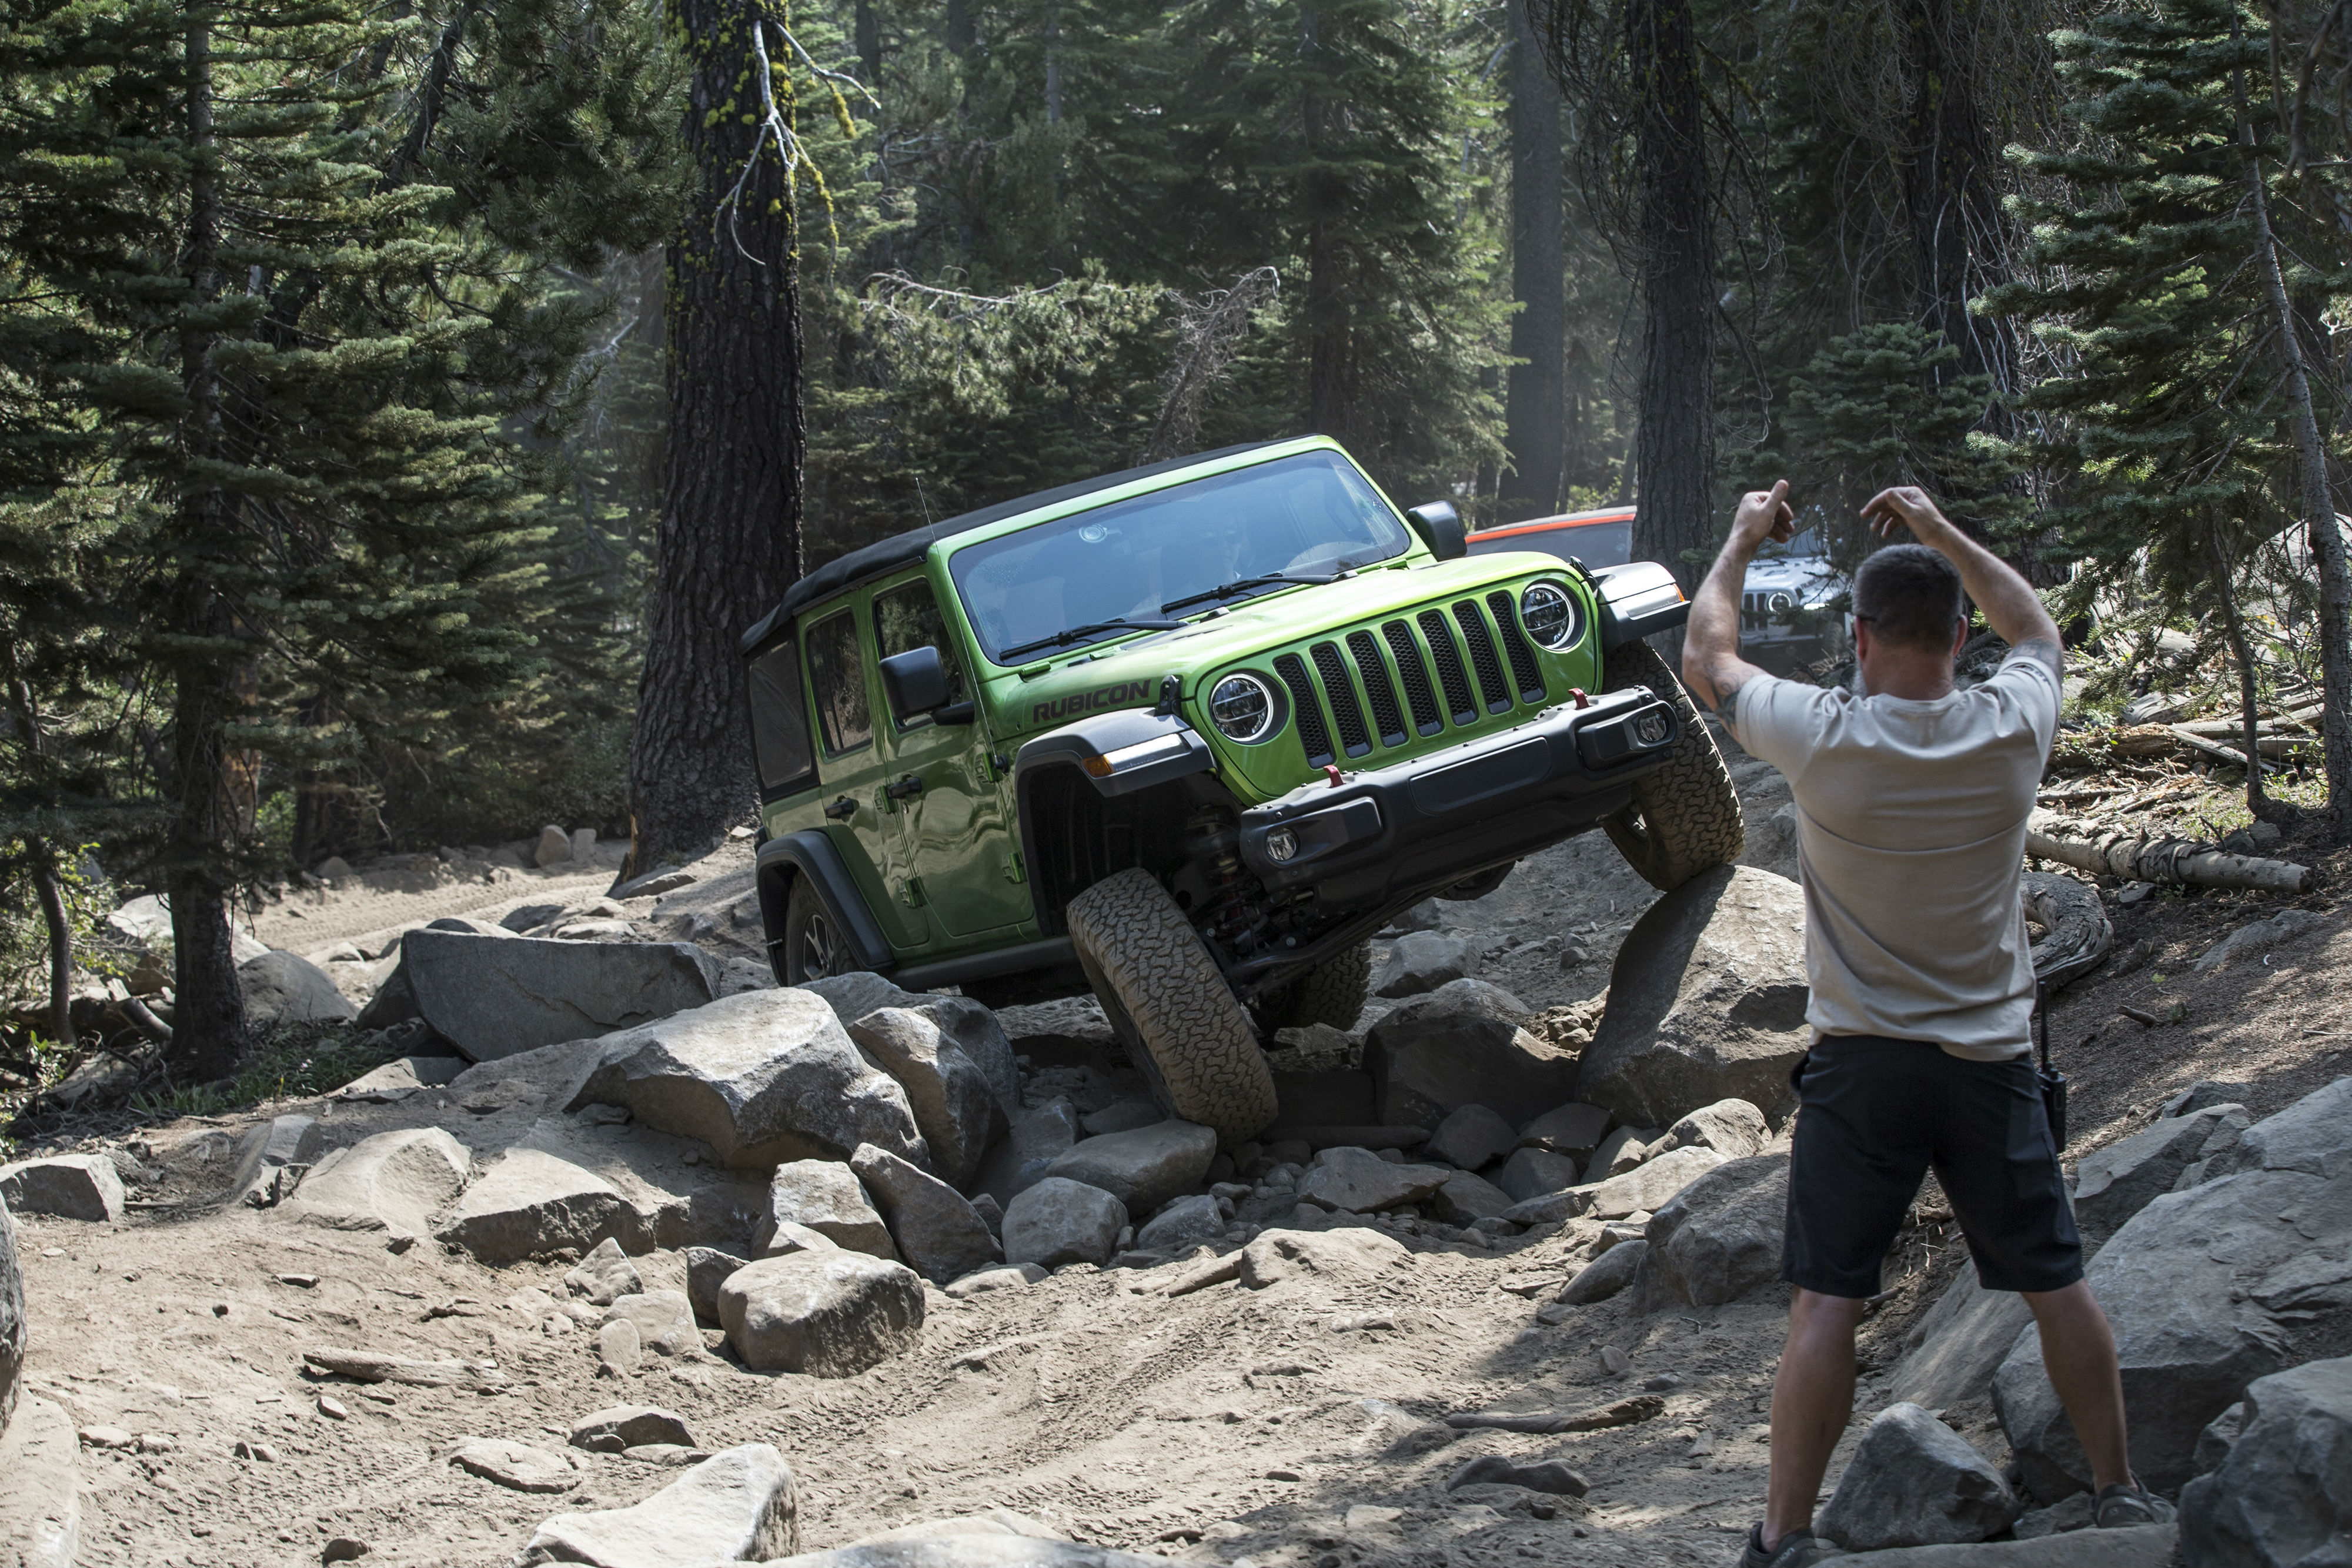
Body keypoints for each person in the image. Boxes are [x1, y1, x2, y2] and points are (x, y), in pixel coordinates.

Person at [1679, 482, 2169, 1568]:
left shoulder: (1821, 737)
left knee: (1827, 1303)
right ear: (1958, 636)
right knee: (2056, 1280)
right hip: (1989, 1064)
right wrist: (1943, 528)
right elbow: (2033, 627)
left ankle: (1784, 1538)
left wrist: (1741, 536)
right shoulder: (2011, 726)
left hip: (1862, 1070)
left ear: (1857, 638)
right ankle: (2118, 1493)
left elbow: (1707, 659)